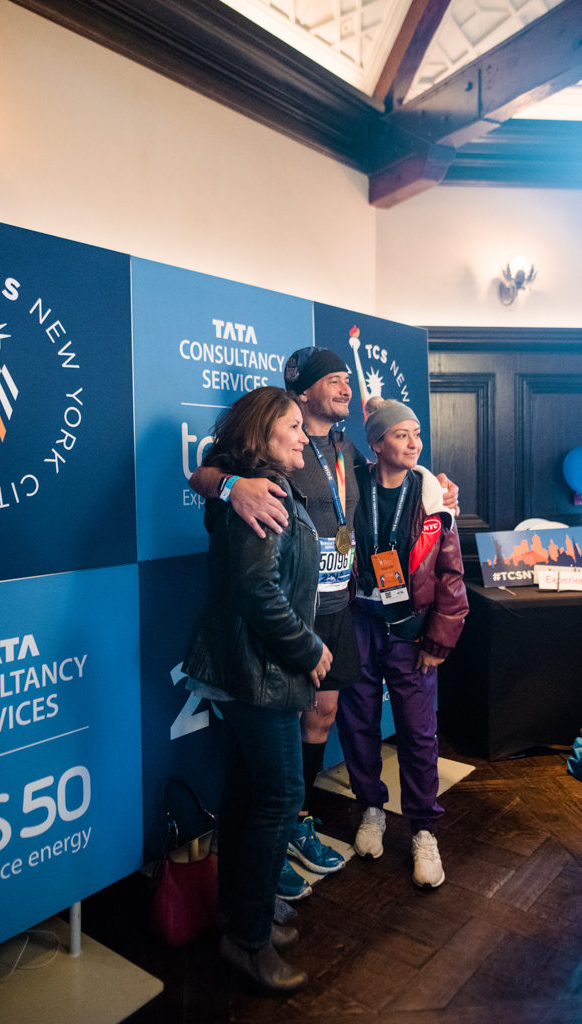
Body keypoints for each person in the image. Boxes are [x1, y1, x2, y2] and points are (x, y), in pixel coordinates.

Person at [190, 347, 460, 900]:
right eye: (332, 379)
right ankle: (264, 849)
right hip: (292, 611)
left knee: (324, 716)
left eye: (346, 378)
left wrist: (438, 489)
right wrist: (231, 487)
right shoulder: (270, 443)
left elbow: (391, 474)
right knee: (269, 741)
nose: (343, 385)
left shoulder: (345, 447)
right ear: (301, 391)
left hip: (341, 607)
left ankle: (296, 823)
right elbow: (203, 473)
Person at [183, 386, 332, 994]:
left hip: (254, 670)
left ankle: (242, 910)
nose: (303, 435)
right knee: (279, 796)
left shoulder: (264, 484)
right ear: (260, 436)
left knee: (248, 794)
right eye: (292, 426)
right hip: (259, 673)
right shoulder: (256, 491)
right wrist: (310, 649)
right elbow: (256, 591)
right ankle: (247, 940)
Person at [336, 398, 469, 888]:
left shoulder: (431, 494)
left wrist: (440, 638)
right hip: (360, 622)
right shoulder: (352, 485)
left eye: (417, 433)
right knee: (357, 725)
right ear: (375, 444)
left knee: (417, 733)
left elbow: (451, 573)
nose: (414, 442)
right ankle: (371, 807)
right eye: (401, 434)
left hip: (412, 630)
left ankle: (423, 831)